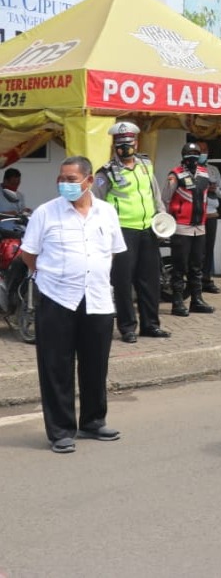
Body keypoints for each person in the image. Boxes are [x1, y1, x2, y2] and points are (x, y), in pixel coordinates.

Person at [22, 156, 126, 453]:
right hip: (57, 298)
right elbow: (29, 254)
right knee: (56, 366)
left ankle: (93, 421)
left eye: (71, 179)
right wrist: (45, 276)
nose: (64, 184)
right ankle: (61, 431)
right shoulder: (46, 213)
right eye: (61, 178)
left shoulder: (106, 213)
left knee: (96, 364)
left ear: (89, 180)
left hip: (97, 299)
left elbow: (113, 252)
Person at [92, 121, 170, 342]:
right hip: (121, 232)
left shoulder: (145, 165)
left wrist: (161, 218)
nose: (125, 148)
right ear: (114, 146)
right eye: (120, 144)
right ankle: (127, 328)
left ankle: (151, 325)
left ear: (136, 142)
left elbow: (154, 194)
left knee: (150, 280)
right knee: (123, 282)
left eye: (129, 143)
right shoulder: (105, 173)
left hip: (148, 230)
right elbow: (96, 202)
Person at [161, 142, 215, 317]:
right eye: (189, 154)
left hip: (199, 226)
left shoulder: (205, 174)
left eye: (196, 154)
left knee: (196, 266)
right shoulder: (175, 175)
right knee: (179, 266)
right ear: (183, 155)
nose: (193, 157)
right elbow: (166, 199)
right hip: (181, 226)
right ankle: (177, 303)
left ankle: (196, 300)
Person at [196, 141, 221, 294]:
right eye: (199, 150)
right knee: (197, 249)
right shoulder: (188, 170)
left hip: (211, 213)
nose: (202, 153)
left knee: (208, 248)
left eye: (205, 150)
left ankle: (207, 279)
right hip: (195, 215)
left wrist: (214, 190)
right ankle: (195, 281)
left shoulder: (213, 170)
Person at [0, 167, 29, 233]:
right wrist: (6, 215)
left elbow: (21, 212)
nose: (15, 187)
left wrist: (24, 212)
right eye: (13, 184)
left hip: (17, 231)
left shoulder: (20, 195)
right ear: (5, 181)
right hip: (2, 232)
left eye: (18, 184)